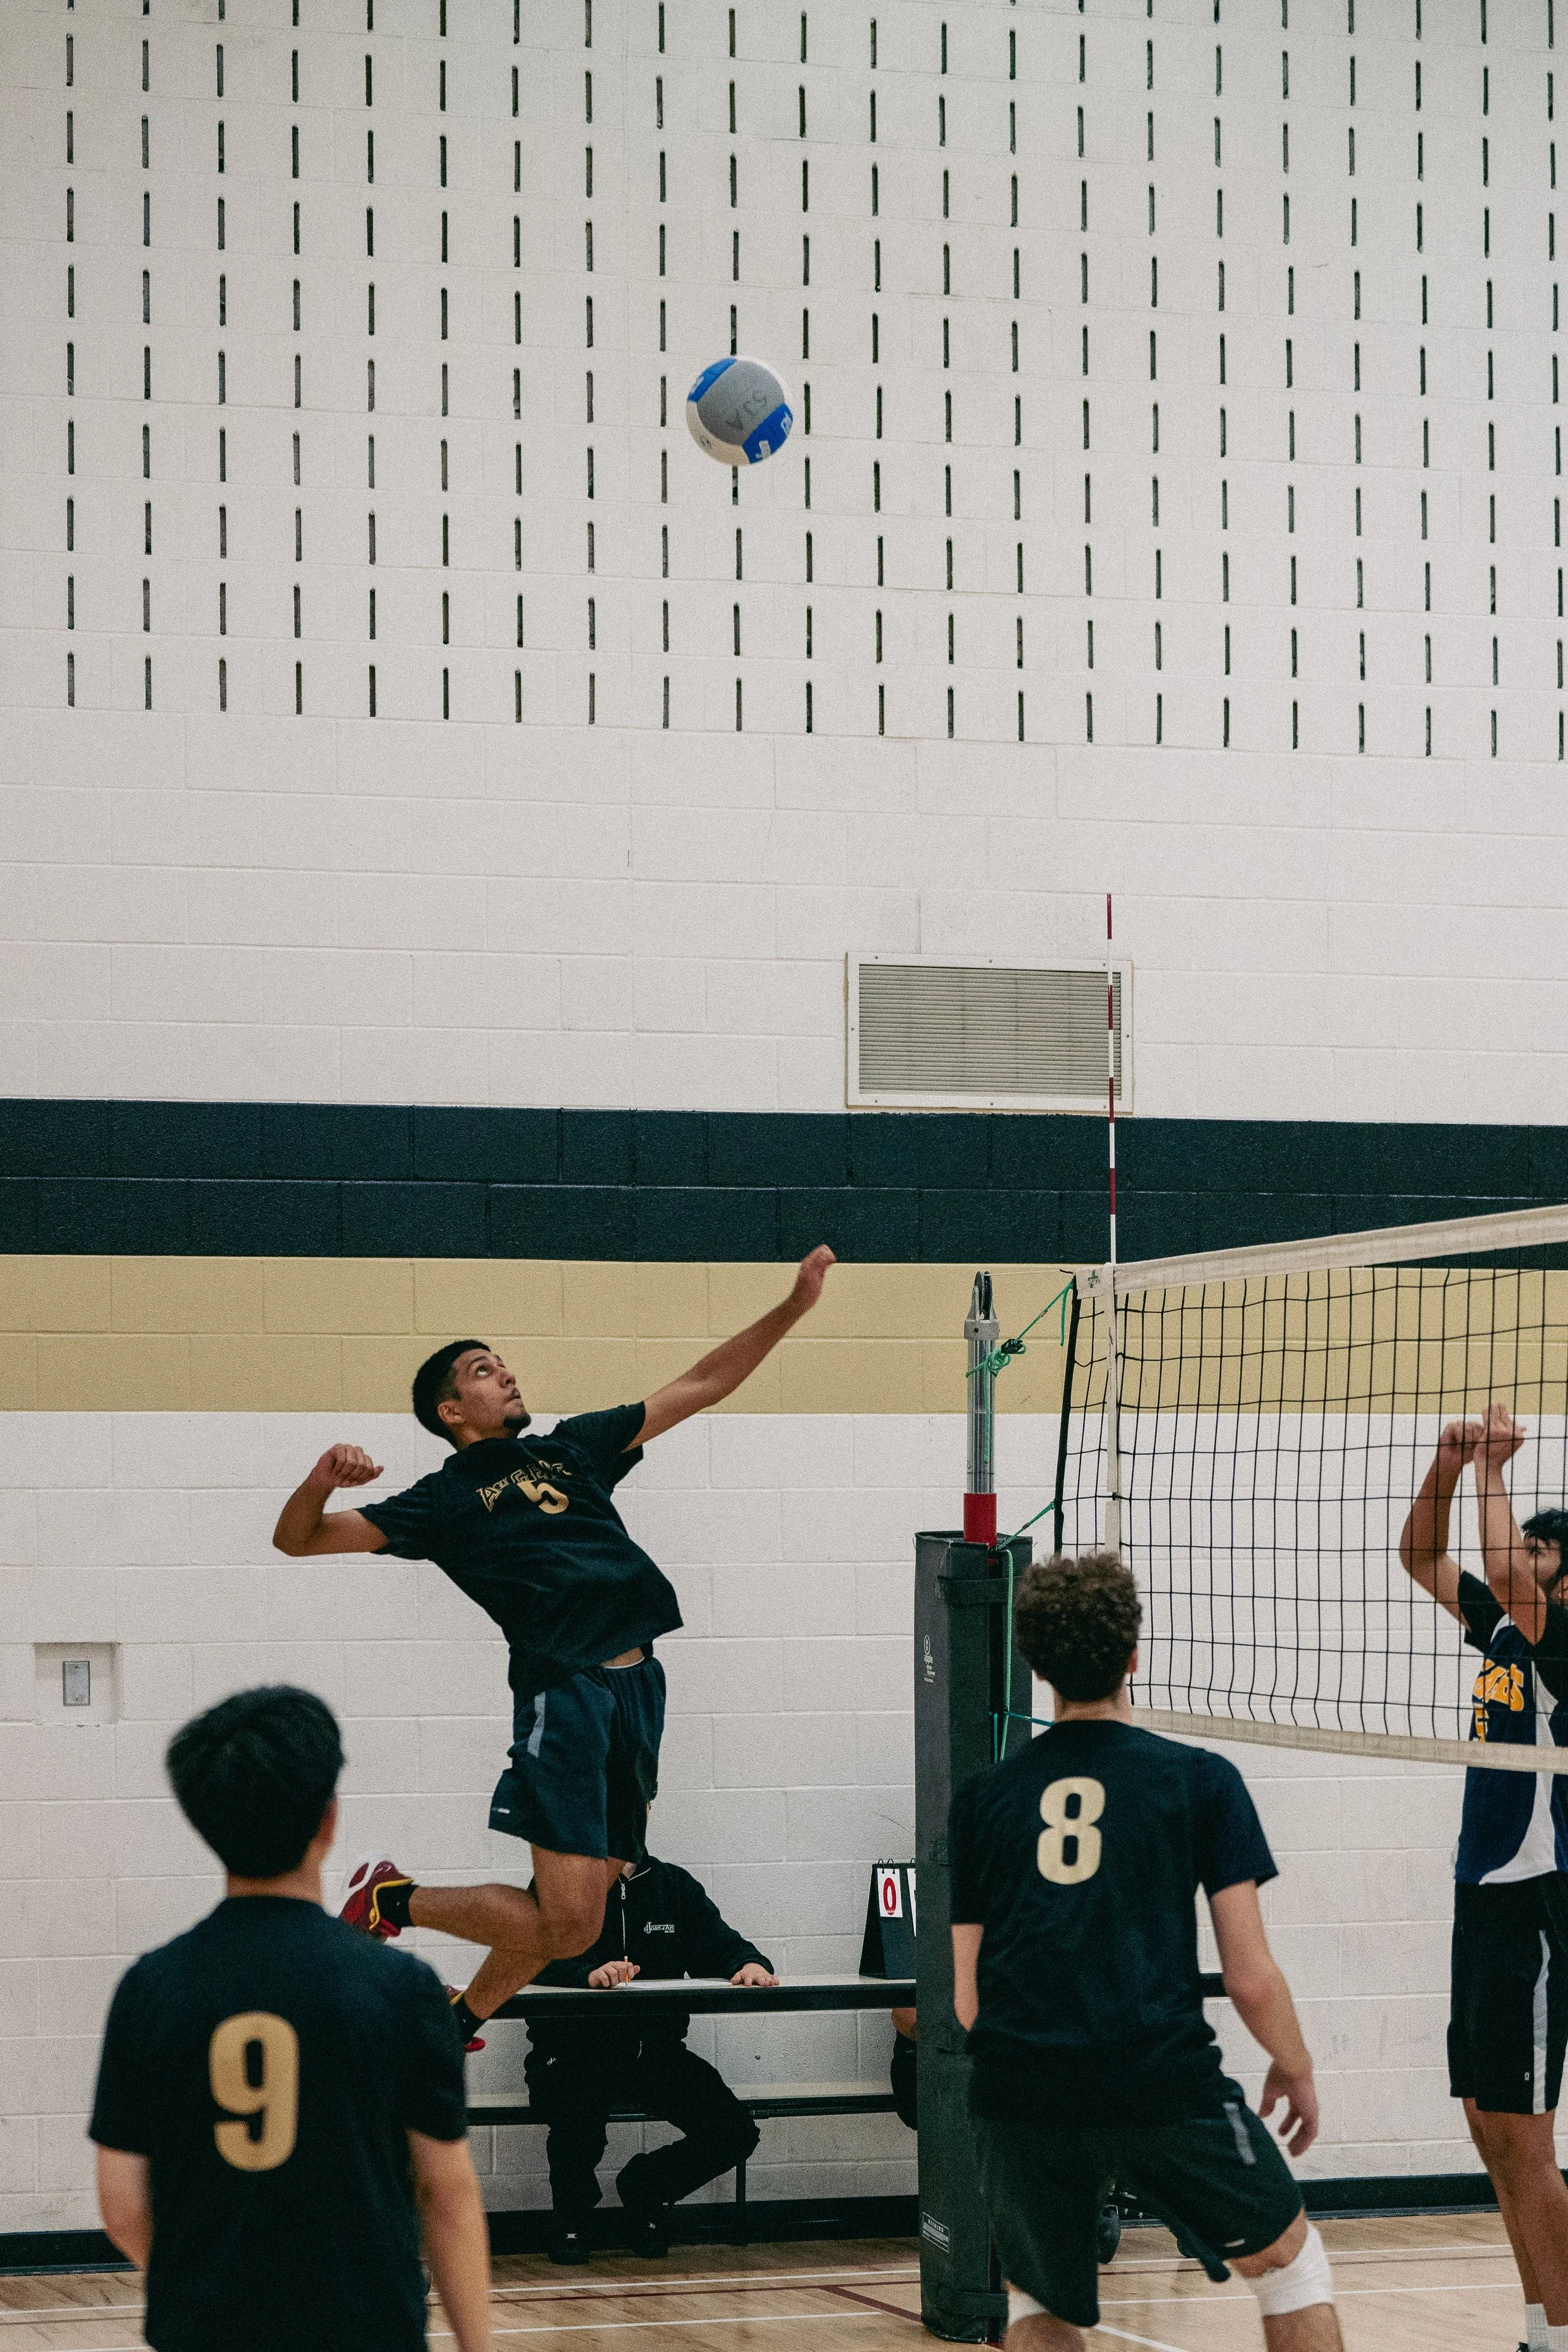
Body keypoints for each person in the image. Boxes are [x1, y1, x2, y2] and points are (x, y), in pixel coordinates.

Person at [272, 1248, 834, 2047]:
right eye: (481, 1370)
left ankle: (459, 2015)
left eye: (504, 1365)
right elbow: (297, 1540)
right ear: (449, 1410)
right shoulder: (442, 1500)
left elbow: (701, 1385)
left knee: (576, 1918)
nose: (505, 1375)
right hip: (564, 1690)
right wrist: (323, 1478)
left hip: (641, 1687)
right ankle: (388, 1899)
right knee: (572, 1929)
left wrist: (792, 1309)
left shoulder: (573, 1448)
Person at [948, 1550, 1341, 2351]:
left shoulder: (983, 1798)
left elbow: (966, 2000)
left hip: (1021, 2090)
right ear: (1134, 1655)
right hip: (1156, 2079)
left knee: (1037, 2304)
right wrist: (1294, 2062)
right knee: (1290, 2270)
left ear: (1035, 1665)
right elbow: (1250, 1977)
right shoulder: (1199, 1779)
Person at [90, 1687, 490, 2352]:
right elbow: (445, 2194)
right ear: (328, 1820)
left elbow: (123, 2204)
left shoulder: (150, 1988)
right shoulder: (402, 1988)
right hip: (368, 2329)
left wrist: (202, 2295)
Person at [1399, 1401, 1568, 2352]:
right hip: (1483, 1894)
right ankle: (1543, 2329)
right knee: (1491, 2129)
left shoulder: (1563, 1646)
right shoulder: (1508, 1633)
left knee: (1529, 2139)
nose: (1519, 1557)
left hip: (1537, 1903)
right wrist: (1448, 1465)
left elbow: (1504, 1569)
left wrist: (1496, 1468)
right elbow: (1422, 1558)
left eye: (1543, 1551)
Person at [524, 1848, 777, 2262]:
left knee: (733, 2131)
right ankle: (572, 2218)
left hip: (654, 2053)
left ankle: (647, 2189)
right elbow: (527, 1958)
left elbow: (722, 1944)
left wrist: (748, 1963)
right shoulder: (560, 1882)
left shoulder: (673, 1886)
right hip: (574, 2053)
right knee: (577, 2120)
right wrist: (583, 1974)